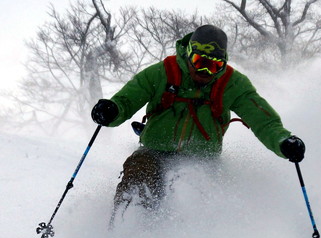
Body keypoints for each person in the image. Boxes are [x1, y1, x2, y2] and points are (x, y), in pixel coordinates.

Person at [90, 24, 306, 222]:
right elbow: (127, 100)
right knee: (139, 176)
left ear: (223, 64)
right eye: (200, 63)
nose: (205, 72)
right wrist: (112, 110)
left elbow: (263, 121)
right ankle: (124, 230)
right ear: (189, 54)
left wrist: (283, 141)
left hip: (201, 160)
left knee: (190, 189)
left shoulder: (232, 84)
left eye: (214, 66)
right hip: (154, 151)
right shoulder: (163, 72)